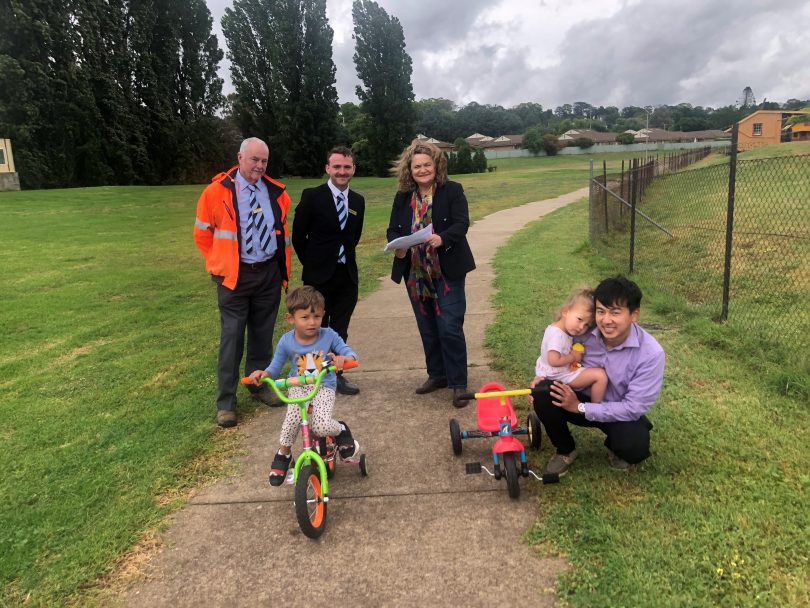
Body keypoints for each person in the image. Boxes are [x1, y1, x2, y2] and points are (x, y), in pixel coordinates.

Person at [193, 137, 292, 428]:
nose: (259, 166)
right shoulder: (216, 192)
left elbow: (281, 234)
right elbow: (202, 234)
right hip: (235, 277)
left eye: (264, 161)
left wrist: (279, 271)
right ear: (240, 157)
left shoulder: (276, 193)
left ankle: (259, 385)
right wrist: (220, 265)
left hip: (268, 275)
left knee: (263, 336)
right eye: (254, 160)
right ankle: (226, 402)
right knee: (232, 339)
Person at [532, 276, 665, 475]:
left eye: (616, 313)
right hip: (576, 395)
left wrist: (580, 407)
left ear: (634, 315)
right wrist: (541, 376)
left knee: (634, 446)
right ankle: (565, 450)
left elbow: (634, 407)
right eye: (601, 311)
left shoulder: (651, 354)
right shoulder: (583, 329)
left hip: (614, 408)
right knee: (542, 391)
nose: (606, 320)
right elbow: (555, 350)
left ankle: (616, 445)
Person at [386, 141, 476, 408]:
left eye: (427, 164)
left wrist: (442, 238)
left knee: (449, 326)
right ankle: (437, 375)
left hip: (447, 270)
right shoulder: (403, 196)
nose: (423, 169)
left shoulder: (452, 191)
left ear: (436, 166)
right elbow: (393, 229)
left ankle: (458, 383)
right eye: (417, 166)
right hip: (414, 272)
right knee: (427, 328)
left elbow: (462, 223)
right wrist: (398, 247)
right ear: (409, 170)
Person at [247, 286, 360, 486]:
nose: (312, 322)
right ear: (291, 319)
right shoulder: (286, 341)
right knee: (291, 420)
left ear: (323, 315)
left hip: (322, 386)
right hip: (297, 387)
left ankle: (341, 429)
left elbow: (349, 352)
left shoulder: (328, 335)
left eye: (316, 316)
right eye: (305, 317)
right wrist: (264, 374)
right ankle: (284, 454)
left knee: (321, 425)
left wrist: (345, 358)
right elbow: (274, 367)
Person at [292, 146, 365, 396]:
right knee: (313, 328)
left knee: (339, 330)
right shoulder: (312, 196)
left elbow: (353, 237)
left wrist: (341, 259)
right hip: (318, 277)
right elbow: (298, 236)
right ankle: (312, 380)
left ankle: (336, 376)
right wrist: (313, 264)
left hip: (346, 276)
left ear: (353, 169)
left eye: (347, 167)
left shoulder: (357, 201)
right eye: (337, 167)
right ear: (328, 168)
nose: (342, 172)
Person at [532, 287, 608, 403]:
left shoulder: (560, 330)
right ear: (565, 311)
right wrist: (574, 357)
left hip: (555, 372)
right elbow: (553, 360)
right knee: (600, 376)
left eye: (587, 325)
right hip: (557, 375)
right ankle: (595, 410)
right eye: (579, 319)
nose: (581, 327)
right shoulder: (557, 335)